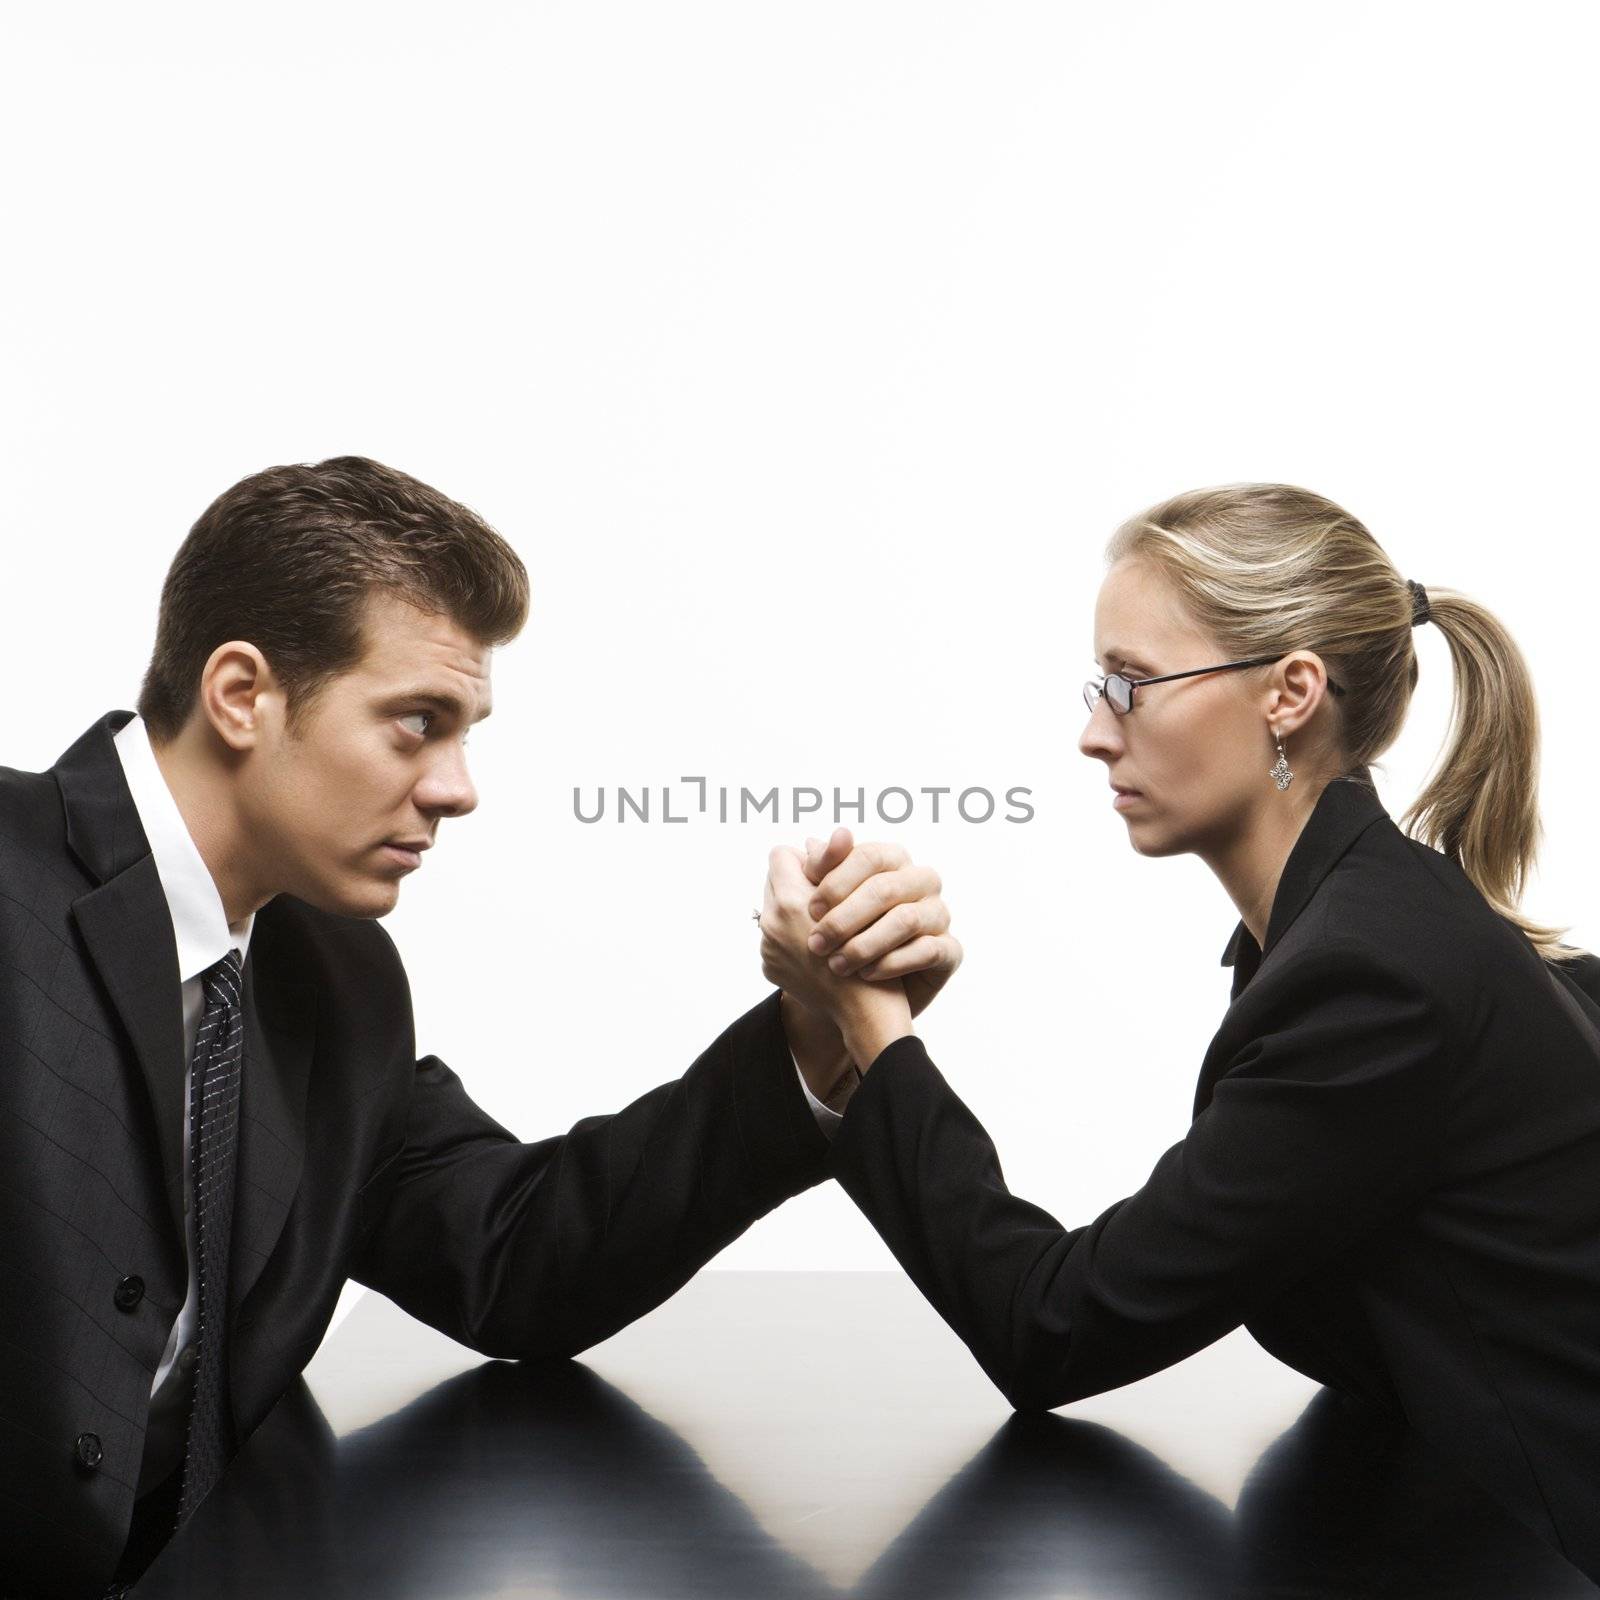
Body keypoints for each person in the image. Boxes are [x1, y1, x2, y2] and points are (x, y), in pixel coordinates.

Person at [0, 455, 961, 1600]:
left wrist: (818, 1027)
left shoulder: (338, 983)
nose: (457, 787)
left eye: (465, 732)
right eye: (417, 724)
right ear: (242, 694)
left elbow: (516, 1253)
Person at [759, 482, 1600, 1587]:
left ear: (1290, 692)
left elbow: (1052, 1327)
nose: (1093, 732)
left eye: (1132, 684)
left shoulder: (1371, 975)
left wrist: (870, 1024)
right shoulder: (1360, 929)